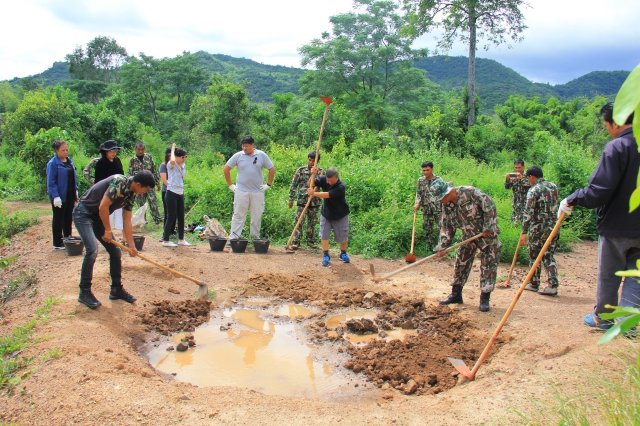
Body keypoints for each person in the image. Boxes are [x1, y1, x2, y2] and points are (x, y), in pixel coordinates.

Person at [559, 102, 640, 330]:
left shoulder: (617, 147)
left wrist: (572, 199)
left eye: (606, 126)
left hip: (616, 226)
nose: (607, 130)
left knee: (610, 274)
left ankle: (604, 318)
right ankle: (628, 324)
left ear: (616, 122)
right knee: (636, 275)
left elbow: (599, 191)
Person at [72, 170, 155, 308]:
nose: (143, 193)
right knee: (92, 249)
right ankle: (84, 292)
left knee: (115, 251)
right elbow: (103, 207)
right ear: (138, 184)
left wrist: (131, 246)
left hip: (98, 217)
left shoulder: (131, 193)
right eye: (144, 190)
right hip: (83, 213)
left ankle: (116, 289)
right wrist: (108, 231)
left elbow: (127, 219)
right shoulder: (119, 182)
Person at [433, 182, 502, 312]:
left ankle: (484, 299)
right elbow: (447, 226)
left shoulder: (469, 192)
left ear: (449, 192)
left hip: (486, 235)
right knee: (461, 262)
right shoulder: (446, 206)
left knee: (488, 265)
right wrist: (442, 246)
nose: (440, 201)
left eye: (441, 197)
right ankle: (456, 294)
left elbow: (489, 205)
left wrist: (488, 226)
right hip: (468, 236)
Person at [223, 135, 275, 240]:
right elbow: (226, 169)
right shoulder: (238, 156)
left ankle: (255, 238)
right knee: (238, 215)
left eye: (246, 146)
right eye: (243, 146)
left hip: (257, 191)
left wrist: (268, 185)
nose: (244, 148)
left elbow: (271, 169)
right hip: (241, 190)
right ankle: (234, 237)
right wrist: (231, 185)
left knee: (256, 216)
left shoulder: (261, 155)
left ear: (252, 145)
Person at [519, 166, 560, 295]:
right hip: (553, 226)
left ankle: (534, 283)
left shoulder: (533, 190)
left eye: (528, 178)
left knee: (534, 255)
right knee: (549, 255)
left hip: (538, 227)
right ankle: (553, 285)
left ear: (532, 177)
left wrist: (524, 232)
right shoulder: (554, 187)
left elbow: (528, 213)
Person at [307, 167, 350, 267]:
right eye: (328, 180)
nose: (329, 182)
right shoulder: (324, 179)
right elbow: (310, 184)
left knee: (343, 235)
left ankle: (343, 253)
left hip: (340, 214)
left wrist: (314, 193)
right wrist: (313, 174)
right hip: (326, 213)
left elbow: (328, 194)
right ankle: (326, 255)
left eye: (332, 181)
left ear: (337, 178)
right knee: (324, 234)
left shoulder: (341, 186)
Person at [288, 151, 324, 249]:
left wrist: (315, 175)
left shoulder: (321, 172)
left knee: (312, 222)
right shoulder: (301, 170)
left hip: (314, 201)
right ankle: (296, 241)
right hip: (302, 200)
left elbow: (322, 185)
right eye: (309, 160)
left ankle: (310, 241)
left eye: (313, 161)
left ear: (317, 161)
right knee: (299, 221)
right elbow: (294, 185)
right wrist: (291, 198)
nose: (311, 162)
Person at [46, 140, 78, 249]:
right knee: (59, 218)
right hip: (59, 195)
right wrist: (55, 196)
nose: (65, 152)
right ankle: (58, 242)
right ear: (56, 150)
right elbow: (51, 181)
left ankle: (68, 237)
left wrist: (75, 190)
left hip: (70, 193)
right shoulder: (53, 163)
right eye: (63, 150)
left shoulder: (69, 161)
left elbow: (73, 177)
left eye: (67, 150)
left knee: (68, 217)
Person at [162, 144, 190, 247]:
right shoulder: (171, 164)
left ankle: (181, 239)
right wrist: (173, 149)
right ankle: (166, 240)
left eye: (185, 157)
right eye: (182, 157)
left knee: (181, 217)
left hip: (180, 193)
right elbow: (173, 160)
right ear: (176, 156)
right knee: (171, 216)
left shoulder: (183, 165)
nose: (184, 159)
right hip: (171, 193)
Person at [94, 140, 125, 233]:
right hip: (106, 190)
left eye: (115, 151)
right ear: (106, 152)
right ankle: (108, 229)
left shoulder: (117, 161)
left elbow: (122, 174)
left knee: (119, 208)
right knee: (107, 209)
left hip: (118, 189)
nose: (114, 153)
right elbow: (98, 180)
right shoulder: (101, 163)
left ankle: (120, 229)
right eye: (112, 151)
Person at [127, 142, 162, 224]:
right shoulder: (133, 160)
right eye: (138, 149)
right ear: (135, 149)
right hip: (139, 185)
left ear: (144, 149)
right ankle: (143, 220)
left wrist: (157, 183)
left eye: (142, 149)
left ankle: (157, 219)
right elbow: (129, 173)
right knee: (141, 203)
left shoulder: (149, 157)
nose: (140, 151)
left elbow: (154, 170)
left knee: (153, 201)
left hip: (149, 184)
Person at [413, 161, 444, 250]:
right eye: (424, 170)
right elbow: (419, 194)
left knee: (441, 227)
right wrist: (418, 203)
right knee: (427, 228)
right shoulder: (420, 181)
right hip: (426, 209)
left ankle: (442, 247)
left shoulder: (439, 180)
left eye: (427, 170)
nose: (425, 172)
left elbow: (444, 193)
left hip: (438, 208)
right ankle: (429, 247)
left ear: (432, 169)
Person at [505, 159, 531, 223]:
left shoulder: (528, 175)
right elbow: (507, 187)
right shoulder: (513, 175)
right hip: (516, 201)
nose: (517, 169)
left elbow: (530, 184)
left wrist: (521, 179)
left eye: (519, 167)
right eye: (516, 168)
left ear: (523, 167)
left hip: (526, 200)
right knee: (514, 219)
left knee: (526, 217)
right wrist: (507, 179)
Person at [158, 147, 176, 241]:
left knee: (175, 212)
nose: (170, 157)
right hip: (167, 191)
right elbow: (164, 180)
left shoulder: (177, 165)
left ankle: (172, 231)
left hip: (176, 191)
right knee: (168, 213)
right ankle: (165, 233)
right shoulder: (163, 165)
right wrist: (172, 187)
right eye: (169, 155)